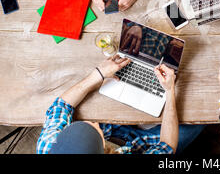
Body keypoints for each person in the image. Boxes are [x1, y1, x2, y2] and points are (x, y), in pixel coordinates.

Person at [36, 55, 204, 154]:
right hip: (140, 144)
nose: (94, 122)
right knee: (197, 123)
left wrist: (99, 74)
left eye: (85, 124)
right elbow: (167, 144)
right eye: (95, 131)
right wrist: (168, 90)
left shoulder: (48, 146)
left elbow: (62, 105)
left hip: (113, 130)